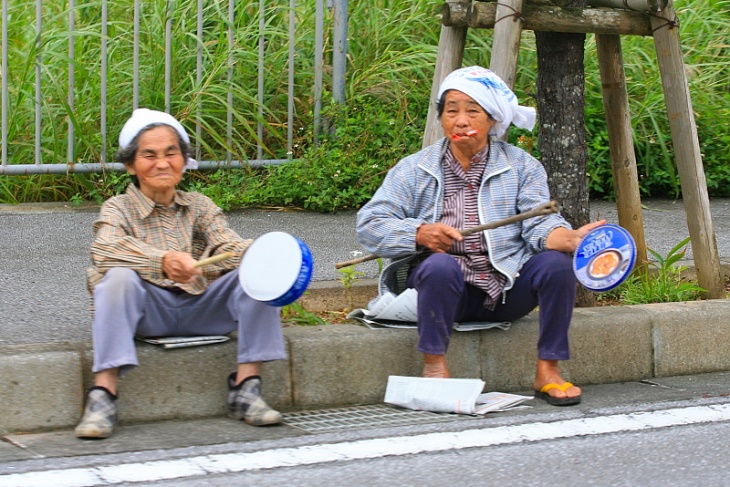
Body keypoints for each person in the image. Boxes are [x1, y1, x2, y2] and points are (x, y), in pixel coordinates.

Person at [356, 66, 604, 406]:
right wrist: (419, 233)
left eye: (472, 111)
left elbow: (539, 223)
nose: (461, 120)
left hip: (507, 288)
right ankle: (435, 369)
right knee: (439, 266)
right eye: (452, 110)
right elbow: (370, 223)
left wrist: (567, 238)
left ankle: (548, 370)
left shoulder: (522, 166)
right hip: (447, 294)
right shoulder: (415, 168)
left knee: (557, 265)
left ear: (492, 120)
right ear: (441, 117)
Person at [74, 108, 286, 439]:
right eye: (149, 155)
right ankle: (103, 394)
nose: (162, 163)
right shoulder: (117, 208)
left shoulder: (199, 205)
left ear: (184, 160)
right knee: (117, 278)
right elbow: (104, 250)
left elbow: (225, 244)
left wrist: (263, 254)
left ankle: (247, 389)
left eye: (171, 153)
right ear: (131, 165)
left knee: (255, 277)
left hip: (203, 308)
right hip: (148, 313)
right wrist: (163, 260)